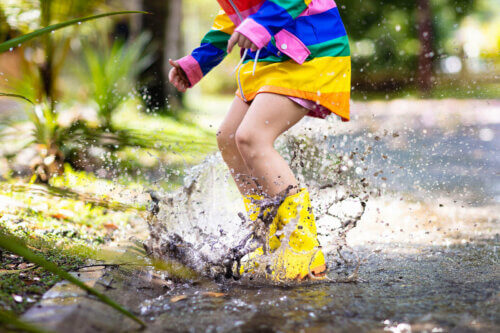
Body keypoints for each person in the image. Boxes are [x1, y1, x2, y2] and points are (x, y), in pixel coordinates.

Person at [169, 0, 350, 281]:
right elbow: (231, 17)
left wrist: (259, 25)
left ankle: (304, 248)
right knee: (228, 138)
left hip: (310, 54)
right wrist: (195, 64)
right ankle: (269, 238)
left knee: (252, 137)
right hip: (268, 59)